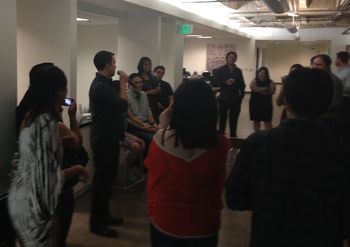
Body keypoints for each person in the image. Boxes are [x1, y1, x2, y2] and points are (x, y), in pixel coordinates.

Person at [225, 68, 350, 247]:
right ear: (328, 103)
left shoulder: (258, 144)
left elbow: (235, 199)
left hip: (268, 237)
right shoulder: (341, 154)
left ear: (286, 100)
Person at [8, 65, 89, 247]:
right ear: (58, 91)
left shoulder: (29, 115)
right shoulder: (50, 125)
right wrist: (78, 168)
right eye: (64, 87)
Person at [145, 79, 229, 247]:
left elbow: (152, 175)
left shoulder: (159, 141)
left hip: (166, 221)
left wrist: (162, 126)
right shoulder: (221, 144)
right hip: (205, 223)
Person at [89, 50, 128, 237]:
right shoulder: (100, 87)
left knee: (108, 180)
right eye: (113, 63)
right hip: (103, 140)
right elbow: (122, 105)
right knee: (102, 182)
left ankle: (104, 215)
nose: (115, 66)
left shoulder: (105, 84)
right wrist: (123, 83)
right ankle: (97, 223)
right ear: (106, 64)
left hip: (109, 138)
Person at [56, 101, 89, 247]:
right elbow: (78, 142)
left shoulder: (27, 115)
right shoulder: (56, 125)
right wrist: (72, 116)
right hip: (60, 186)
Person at [311, 54, 343, 138]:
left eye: (319, 65)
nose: (315, 67)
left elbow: (336, 102)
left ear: (327, 66)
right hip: (316, 119)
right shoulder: (315, 78)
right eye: (314, 64)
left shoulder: (334, 80)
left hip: (328, 120)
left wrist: (317, 109)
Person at [214, 51, 245, 137]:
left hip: (235, 99)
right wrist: (225, 82)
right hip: (224, 98)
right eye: (230, 57)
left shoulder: (238, 71)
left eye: (234, 57)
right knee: (222, 119)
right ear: (227, 58)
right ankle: (221, 138)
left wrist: (241, 97)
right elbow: (216, 82)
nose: (232, 59)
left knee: (234, 120)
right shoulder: (221, 69)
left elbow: (242, 84)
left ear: (236, 59)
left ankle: (233, 137)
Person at [127, 73, 158, 149]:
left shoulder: (144, 94)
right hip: (134, 127)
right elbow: (129, 118)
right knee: (153, 139)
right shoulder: (125, 96)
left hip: (146, 124)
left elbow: (148, 111)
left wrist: (154, 124)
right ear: (130, 84)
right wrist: (148, 128)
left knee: (160, 136)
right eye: (136, 83)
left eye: (140, 82)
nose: (139, 85)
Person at [249, 67, 276, 131]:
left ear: (267, 74)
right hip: (255, 104)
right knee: (256, 121)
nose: (263, 75)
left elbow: (272, 91)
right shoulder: (254, 81)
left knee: (267, 121)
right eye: (261, 73)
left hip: (266, 105)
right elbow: (254, 89)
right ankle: (257, 136)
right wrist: (266, 88)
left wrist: (259, 89)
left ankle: (268, 137)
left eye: (264, 73)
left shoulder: (270, 81)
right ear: (258, 73)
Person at [137, 57, 160, 121]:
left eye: (149, 64)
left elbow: (158, 93)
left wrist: (158, 90)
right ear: (141, 65)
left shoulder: (153, 78)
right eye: (146, 64)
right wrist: (147, 92)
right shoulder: (137, 77)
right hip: (141, 105)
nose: (148, 66)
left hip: (154, 105)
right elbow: (133, 92)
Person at [335, 51, 350, 145]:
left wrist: (336, 85)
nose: (335, 61)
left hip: (345, 101)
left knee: (344, 124)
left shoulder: (348, 71)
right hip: (340, 100)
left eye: (336, 58)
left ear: (340, 59)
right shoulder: (340, 70)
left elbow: (348, 88)